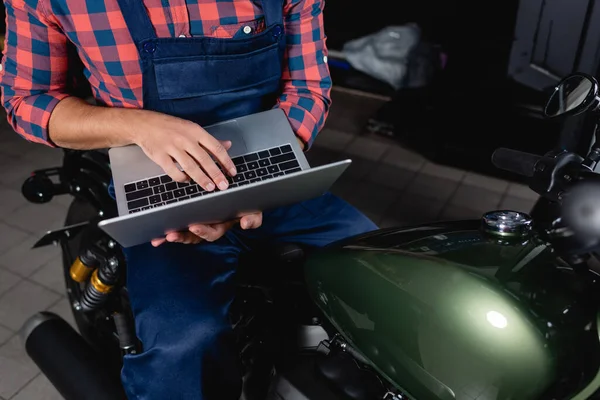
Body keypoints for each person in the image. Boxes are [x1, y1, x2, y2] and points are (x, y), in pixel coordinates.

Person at [0, 0, 377, 398]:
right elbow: (28, 100)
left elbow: (307, 88)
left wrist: (254, 187)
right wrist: (138, 125)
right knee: (184, 347)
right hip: (155, 186)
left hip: (271, 172)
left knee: (386, 281)